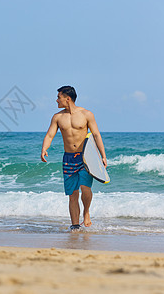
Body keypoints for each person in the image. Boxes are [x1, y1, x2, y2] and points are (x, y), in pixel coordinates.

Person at [41, 86, 107, 231]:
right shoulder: (57, 117)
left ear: (67, 98)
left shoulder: (86, 114)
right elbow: (50, 135)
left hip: (85, 157)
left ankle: (86, 212)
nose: (57, 100)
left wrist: (103, 156)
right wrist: (44, 148)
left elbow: (96, 135)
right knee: (72, 193)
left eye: (59, 97)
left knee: (85, 188)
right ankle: (75, 225)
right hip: (68, 158)